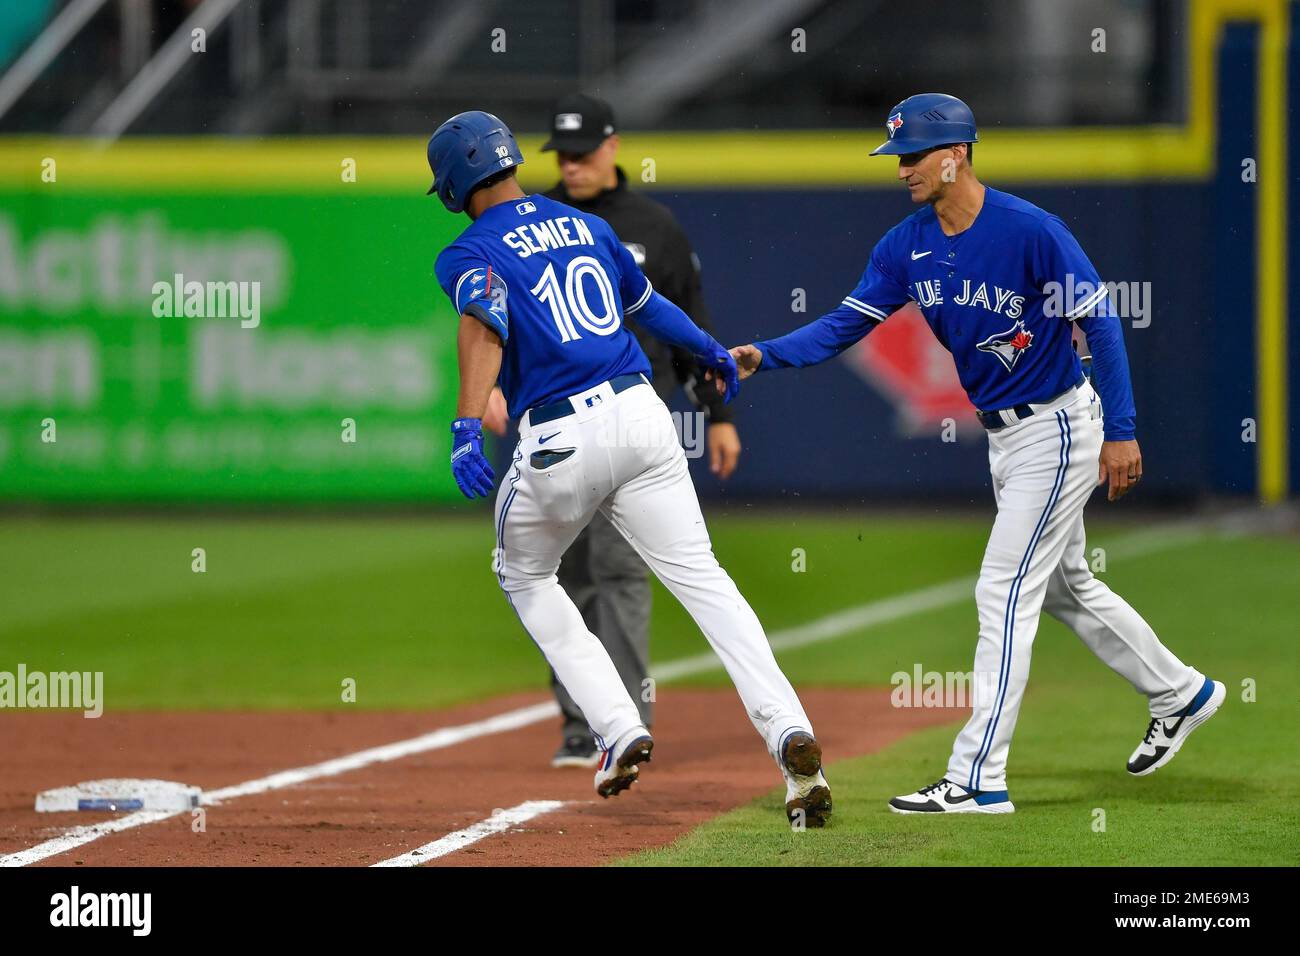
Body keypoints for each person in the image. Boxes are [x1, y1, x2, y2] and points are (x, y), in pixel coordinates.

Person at [729, 93, 1224, 815]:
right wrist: (761, 358)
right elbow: (842, 325)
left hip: (1058, 424)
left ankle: (977, 777)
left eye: (912, 155)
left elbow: (1102, 322)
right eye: (897, 156)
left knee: (1003, 588)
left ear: (956, 154)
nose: (901, 169)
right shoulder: (906, 246)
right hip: (1006, 436)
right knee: (1063, 584)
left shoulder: (1029, 231)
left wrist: (1122, 428)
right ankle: (1182, 694)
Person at [429, 110, 831, 826]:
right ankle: (789, 731)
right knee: (707, 583)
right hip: (644, 417)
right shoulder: (584, 224)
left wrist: (465, 424)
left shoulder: (467, 252)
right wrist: (709, 350)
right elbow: (651, 306)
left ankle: (616, 727)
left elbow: (485, 321)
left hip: (561, 435)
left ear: (455, 185)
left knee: (523, 573)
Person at [529, 93, 742, 767]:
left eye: (583, 152)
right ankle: (582, 718)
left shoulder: (656, 226)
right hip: (555, 420)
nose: (572, 166)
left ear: (613, 147)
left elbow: (689, 325)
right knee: (564, 572)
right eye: (562, 155)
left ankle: (623, 722)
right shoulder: (534, 223)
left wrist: (721, 417)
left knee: (620, 570)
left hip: (629, 420)